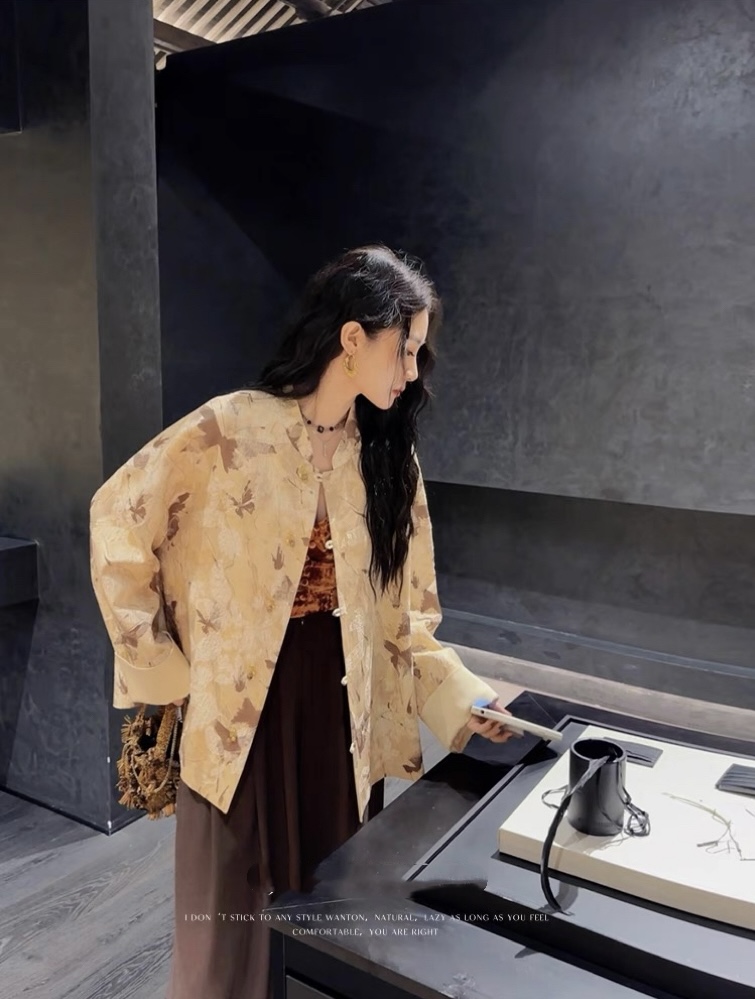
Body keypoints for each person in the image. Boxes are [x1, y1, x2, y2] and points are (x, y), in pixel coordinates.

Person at [89, 245, 515, 999]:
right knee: (231, 917)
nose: (412, 372)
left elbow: (407, 618)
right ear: (352, 339)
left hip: (342, 707)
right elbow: (116, 519)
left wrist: (464, 698)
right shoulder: (229, 429)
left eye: (419, 354)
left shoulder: (387, 459)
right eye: (404, 349)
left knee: (331, 901)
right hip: (241, 711)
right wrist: (165, 668)